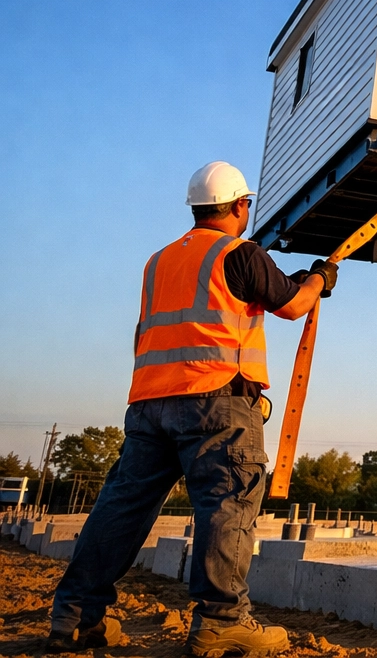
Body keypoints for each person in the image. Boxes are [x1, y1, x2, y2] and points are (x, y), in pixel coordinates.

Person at [48, 162, 338, 657]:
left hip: (149, 402)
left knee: (121, 509)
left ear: (196, 207)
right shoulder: (240, 253)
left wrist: (292, 281)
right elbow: (291, 305)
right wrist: (319, 280)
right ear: (241, 206)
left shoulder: (159, 260)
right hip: (217, 400)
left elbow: (239, 294)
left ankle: (75, 617)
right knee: (227, 505)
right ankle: (221, 621)